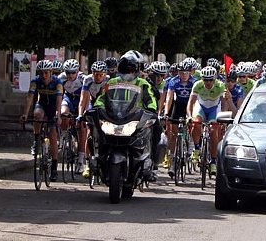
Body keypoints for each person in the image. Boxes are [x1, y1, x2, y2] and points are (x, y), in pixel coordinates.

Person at [93, 50, 159, 182]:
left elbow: (150, 99)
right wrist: (97, 107)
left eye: (131, 70)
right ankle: (96, 159)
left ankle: (151, 165)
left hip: (135, 117)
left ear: (135, 71)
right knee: (96, 127)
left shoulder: (142, 83)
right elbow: (102, 97)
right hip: (114, 117)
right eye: (125, 70)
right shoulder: (112, 82)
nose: (128, 74)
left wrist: (152, 109)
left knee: (155, 128)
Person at [20, 60, 63, 182]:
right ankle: (37, 139)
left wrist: (58, 115)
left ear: (51, 72)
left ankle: (54, 167)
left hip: (54, 107)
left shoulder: (57, 82)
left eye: (46, 73)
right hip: (42, 105)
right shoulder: (35, 81)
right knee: (37, 115)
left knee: (53, 136)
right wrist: (24, 114)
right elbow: (29, 98)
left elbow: (59, 100)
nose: (44, 76)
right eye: (41, 73)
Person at [187, 66, 226, 175]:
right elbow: (191, 103)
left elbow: (224, 103)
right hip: (201, 107)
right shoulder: (197, 85)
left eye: (210, 80)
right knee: (196, 123)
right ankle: (196, 149)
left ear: (215, 79)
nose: (208, 82)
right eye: (205, 80)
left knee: (214, 131)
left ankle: (213, 161)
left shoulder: (220, 85)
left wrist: (223, 117)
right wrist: (189, 116)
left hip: (214, 109)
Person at [163, 59, 197, 177]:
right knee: (173, 132)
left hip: (190, 104)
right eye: (181, 73)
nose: (183, 75)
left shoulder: (194, 82)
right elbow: (169, 98)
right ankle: (172, 159)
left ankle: (191, 145)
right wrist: (166, 113)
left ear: (190, 73)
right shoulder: (174, 81)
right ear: (178, 73)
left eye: (186, 73)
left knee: (192, 124)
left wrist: (192, 115)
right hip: (178, 105)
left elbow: (195, 100)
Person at [77, 60, 109, 178]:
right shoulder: (88, 80)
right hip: (92, 103)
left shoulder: (108, 81)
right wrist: (81, 114)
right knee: (89, 133)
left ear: (104, 74)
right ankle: (87, 164)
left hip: (104, 106)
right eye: (96, 74)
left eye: (101, 74)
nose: (98, 77)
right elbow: (83, 99)